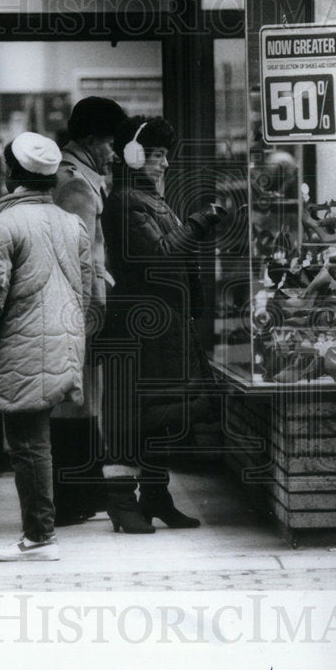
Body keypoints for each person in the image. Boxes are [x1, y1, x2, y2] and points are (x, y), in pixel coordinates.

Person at [0, 132, 92, 561]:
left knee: (28, 443)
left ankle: (40, 536)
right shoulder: (71, 223)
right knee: (34, 440)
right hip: (61, 338)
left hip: (19, 344)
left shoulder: (2, 225)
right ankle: (40, 532)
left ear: (12, 175)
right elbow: (86, 290)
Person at [99, 115, 226, 533]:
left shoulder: (147, 198)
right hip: (141, 330)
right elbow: (159, 256)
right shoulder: (124, 202)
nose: (165, 164)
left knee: (159, 414)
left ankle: (155, 497)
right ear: (134, 156)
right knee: (135, 416)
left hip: (158, 328)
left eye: (165, 156)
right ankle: (122, 503)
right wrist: (198, 223)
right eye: (156, 155)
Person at [50, 96, 128, 525]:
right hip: (79, 310)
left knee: (81, 402)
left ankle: (85, 492)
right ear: (95, 139)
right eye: (112, 142)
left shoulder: (81, 174)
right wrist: (91, 315)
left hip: (79, 309)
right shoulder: (77, 184)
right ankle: (74, 498)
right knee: (74, 402)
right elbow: (79, 258)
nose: (115, 151)